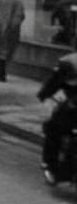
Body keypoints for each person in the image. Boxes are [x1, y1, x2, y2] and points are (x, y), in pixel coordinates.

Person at [37, 56, 77, 185]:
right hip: (69, 109)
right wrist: (57, 100)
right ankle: (50, 165)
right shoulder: (66, 66)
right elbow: (45, 93)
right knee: (53, 126)